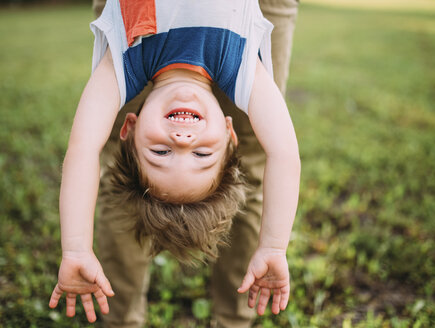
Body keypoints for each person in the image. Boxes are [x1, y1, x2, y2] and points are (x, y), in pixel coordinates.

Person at [48, 0, 300, 327]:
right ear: (228, 132)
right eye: (202, 156)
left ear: (130, 128)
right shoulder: (242, 66)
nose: (182, 142)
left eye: (160, 153)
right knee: (257, 159)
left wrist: (77, 249)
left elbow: (83, 148)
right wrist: (274, 246)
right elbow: (283, 152)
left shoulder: (124, 62)